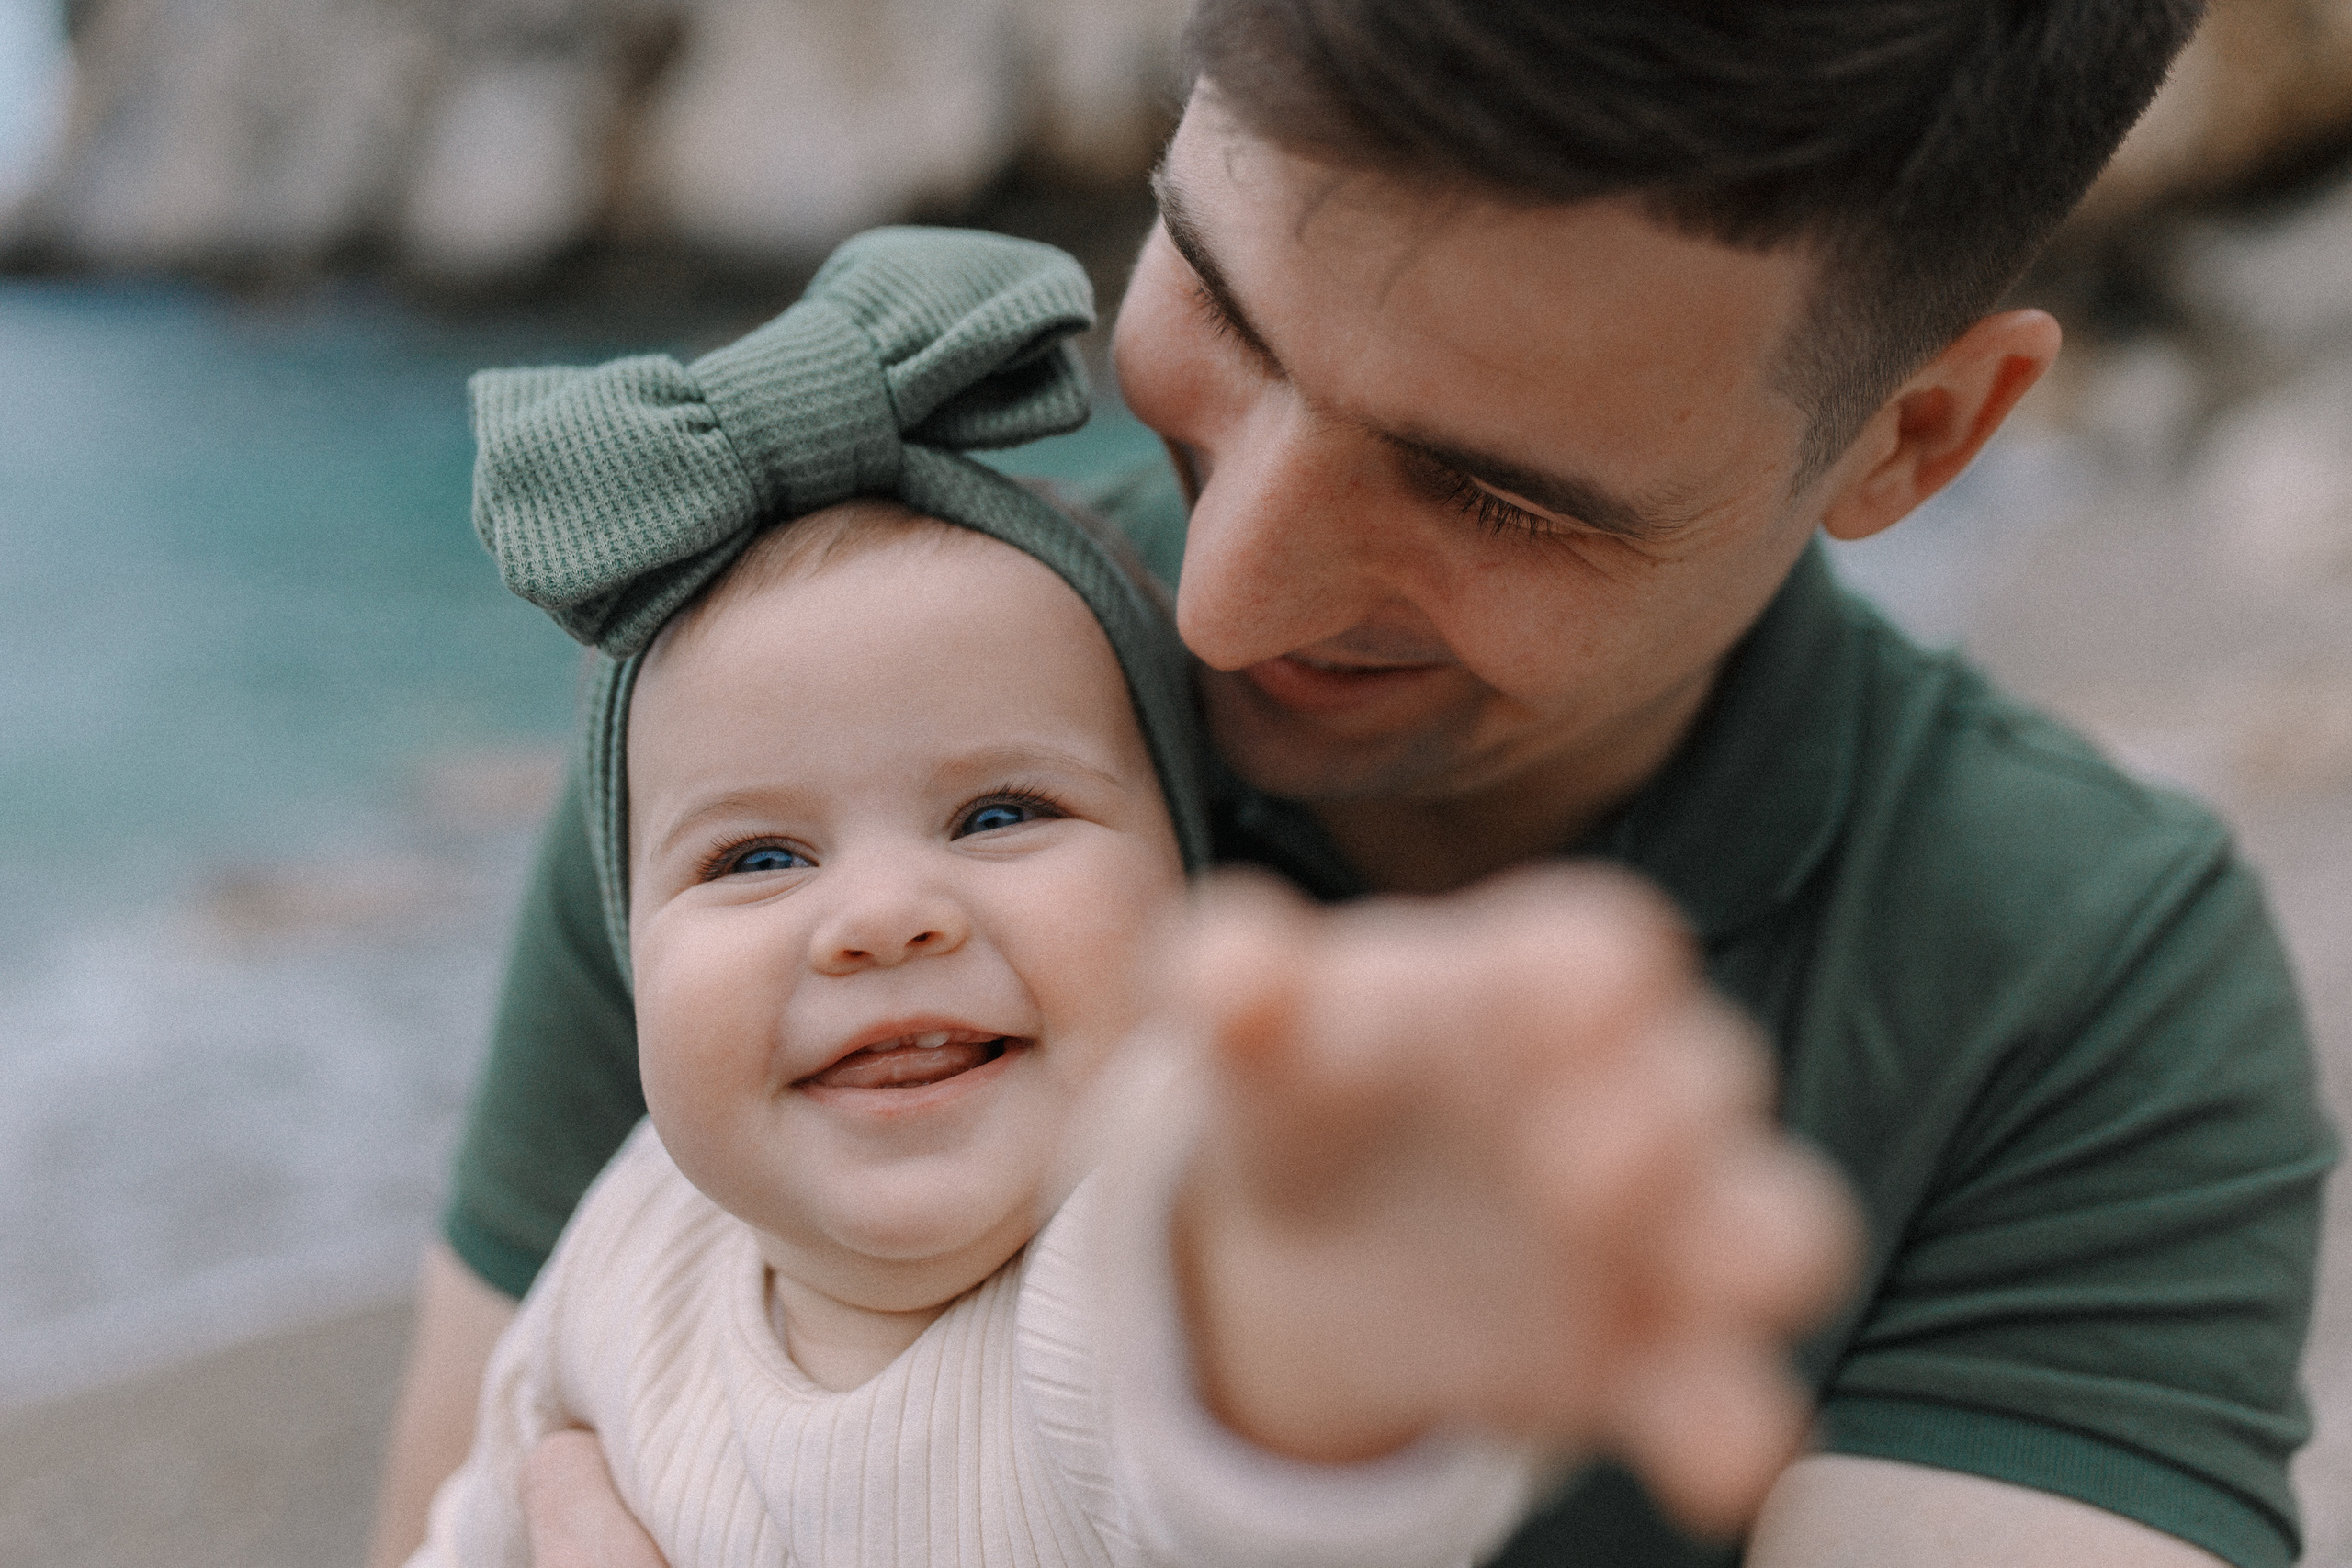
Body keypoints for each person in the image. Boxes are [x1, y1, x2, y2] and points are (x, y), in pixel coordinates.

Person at [368, 5, 2337, 1567]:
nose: (1217, 602)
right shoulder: (787, 716)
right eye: (1217, 297)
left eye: (1491, 493)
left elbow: (1205, 1420)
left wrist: (1312, 1362)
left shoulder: (2072, 994)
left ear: (1912, 436)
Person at [403, 225, 1848, 1568]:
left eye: (1001, 813)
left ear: (1192, 894)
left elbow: (1258, 1436)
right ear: (626, 957)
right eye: (758, 860)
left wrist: (1337, 1313)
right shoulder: (631, 1244)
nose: (885, 914)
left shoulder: (1126, 1270)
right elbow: (474, 1526)